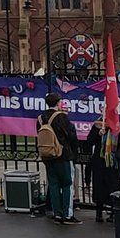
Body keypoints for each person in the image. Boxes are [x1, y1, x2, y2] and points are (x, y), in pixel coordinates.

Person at [38, 95, 81, 224]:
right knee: (67, 184)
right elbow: (71, 136)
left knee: (54, 184)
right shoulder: (61, 117)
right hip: (63, 155)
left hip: (47, 155)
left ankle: (57, 214)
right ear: (58, 103)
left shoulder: (40, 118)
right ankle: (67, 215)